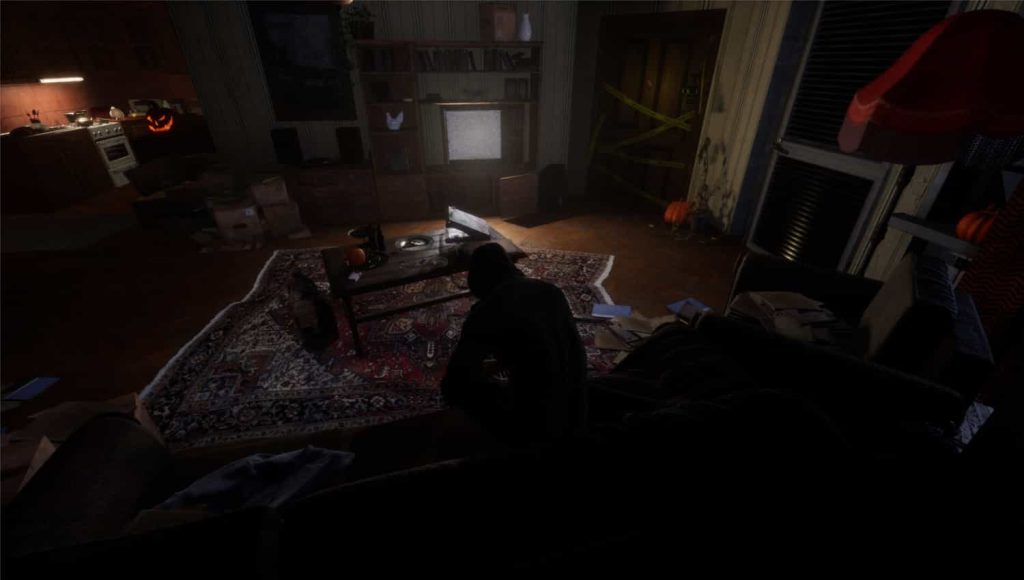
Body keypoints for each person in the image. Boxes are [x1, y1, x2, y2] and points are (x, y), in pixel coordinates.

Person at [441, 243, 587, 445]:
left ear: (477, 282)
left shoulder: (487, 310)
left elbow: (455, 379)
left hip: (537, 426)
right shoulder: (551, 291)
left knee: (455, 389)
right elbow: (540, 344)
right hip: (579, 406)